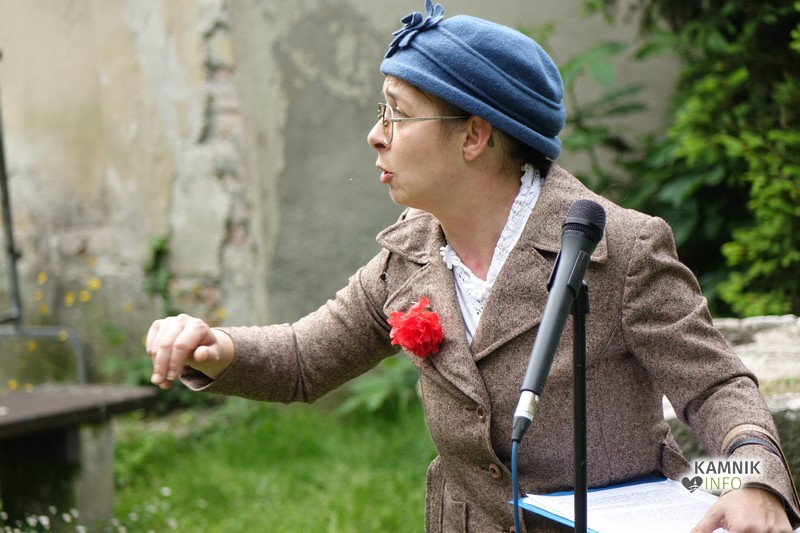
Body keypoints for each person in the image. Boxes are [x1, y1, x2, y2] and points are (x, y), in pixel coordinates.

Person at [146, 2, 800, 532]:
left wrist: (751, 481)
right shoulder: (407, 257)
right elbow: (301, 360)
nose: (376, 134)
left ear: (474, 136)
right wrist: (215, 347)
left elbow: (715, 388)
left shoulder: (618, 248)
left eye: (398, 114)